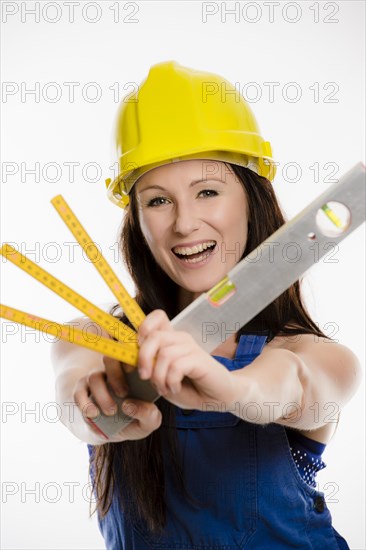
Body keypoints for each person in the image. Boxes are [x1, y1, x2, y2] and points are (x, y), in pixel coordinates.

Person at [52, 61, 361, 549]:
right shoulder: (95, 339)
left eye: (208, 192)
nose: (184, 224)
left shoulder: (315, 355)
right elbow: (74, 403)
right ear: (136, 218)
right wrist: (103, 409)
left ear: (251, 198)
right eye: (157, 201)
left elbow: (288, 384)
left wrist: (228, 387)